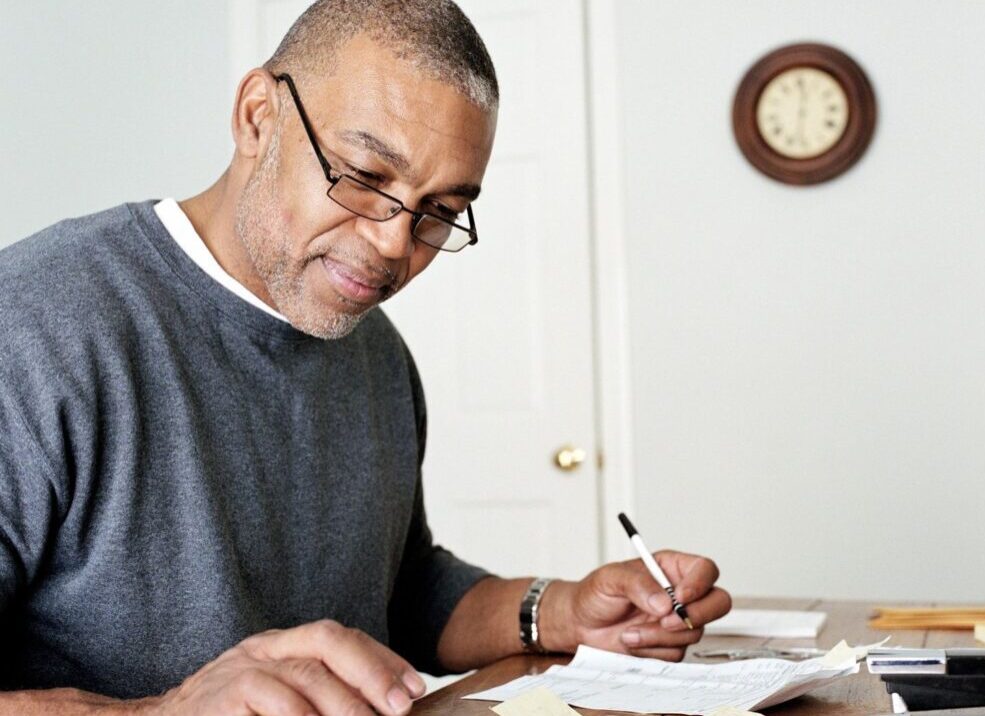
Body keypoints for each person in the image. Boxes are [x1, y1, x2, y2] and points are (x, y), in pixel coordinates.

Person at [0, 1, 731, 714]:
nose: (393, 244)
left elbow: (401, 591)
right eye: (364, 176)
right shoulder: (35, 326)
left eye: (440, 210)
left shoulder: (372, 348)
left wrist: (562, 610)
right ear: (258, 116)